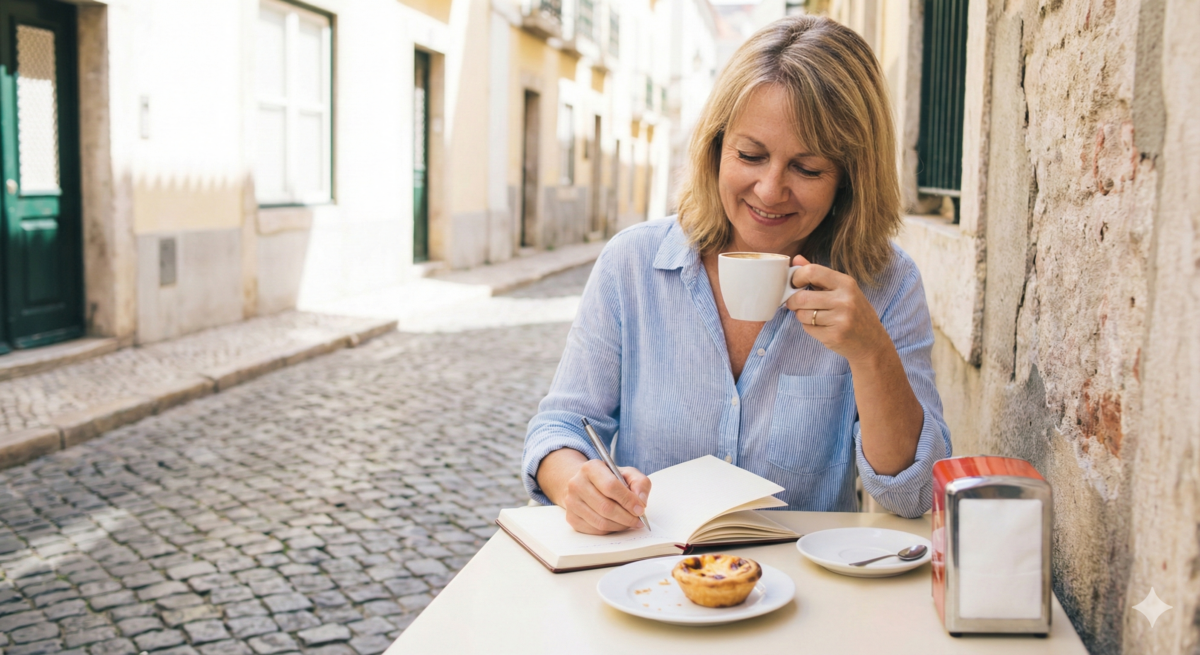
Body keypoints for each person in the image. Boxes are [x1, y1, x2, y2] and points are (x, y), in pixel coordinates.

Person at [522, 15, 952, 535]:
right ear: (715, 148)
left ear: (850, 178)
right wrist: (578, 485)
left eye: (808, 169)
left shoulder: (886, 285)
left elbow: (911, 497)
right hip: (648, 584)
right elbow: (559, 428)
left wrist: (870, 353)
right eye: (750, 155)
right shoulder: (632, 265)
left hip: (804, 598)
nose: (770, 190)